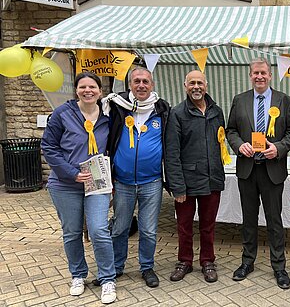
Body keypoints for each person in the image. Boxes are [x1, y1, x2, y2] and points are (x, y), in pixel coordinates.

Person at [41, 72, 117, 304]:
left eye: (92, 87)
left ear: (100, 91)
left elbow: (112, 147)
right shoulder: (62, 114)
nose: (88, 91)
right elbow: (48, 146)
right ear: (76, 91)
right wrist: (72, 173)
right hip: (65, 184)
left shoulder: (108, 117)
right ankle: (78, 275)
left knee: (98, 230)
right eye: (83, 87)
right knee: (72, 232)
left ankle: (107, 279)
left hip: (97, 182)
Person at [226, 57, 290, 289]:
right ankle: (248, 262)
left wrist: (278, 148)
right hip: (247, 169)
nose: (259, 77)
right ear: (250, 75)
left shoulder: (285, 101)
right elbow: (231, 130)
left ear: (270, 75)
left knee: (275, 220)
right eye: (255, 73)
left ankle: (279, 266)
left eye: (263, 73)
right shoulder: (239, 100)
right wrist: (239, 146)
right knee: (248, 219)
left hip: (272, 170)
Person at [102, 66, 171, 288]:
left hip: (151, 181)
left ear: (152, 85)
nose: (141, 85)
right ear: (130, 84)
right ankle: (116, 267)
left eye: (146, 82)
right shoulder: (117, 108)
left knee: (149, 230)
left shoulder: (162, 110)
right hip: (123, 182)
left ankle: (147, 267)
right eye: (137, 81)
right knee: (120, 227)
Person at [165, 70, 226, 283]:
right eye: (192, 83)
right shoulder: (177, 113)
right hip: (187, 182)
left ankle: (208, 261)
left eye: (200, 83)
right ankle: (184, 261)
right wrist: (177, 186)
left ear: (206, 85)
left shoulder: (216, 111)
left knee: (208, 225)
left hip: (212, 179)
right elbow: (171, 153)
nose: (196, 87)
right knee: (184, 225)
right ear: (185, 85)